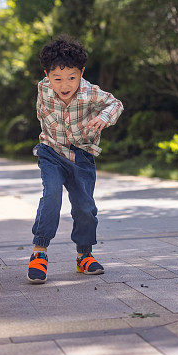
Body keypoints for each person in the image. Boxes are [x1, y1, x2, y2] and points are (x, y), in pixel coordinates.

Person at [27, 34, 124, 284]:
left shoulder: (91, 93)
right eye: (57, 78)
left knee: (85, 207)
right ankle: (40, 251)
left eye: (71, 77)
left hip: (82, 155)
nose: (64, 84)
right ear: (47, 75)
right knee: (51, 196)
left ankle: (84, 256)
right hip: (51, 152)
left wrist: (103, 118)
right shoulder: (43, 88)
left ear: (82, 72)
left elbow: (115, 104)